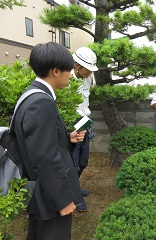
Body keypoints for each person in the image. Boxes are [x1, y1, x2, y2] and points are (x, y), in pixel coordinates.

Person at [14, 42, 86, 240]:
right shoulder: (41, 102)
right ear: (55, 71)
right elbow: (44, 157)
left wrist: (67, 137)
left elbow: (37, 143)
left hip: (40, 192)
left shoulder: (30, 95)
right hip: (50, 198)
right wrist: (62, 200)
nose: (71, 75)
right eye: (69, 70)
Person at [71, 47, 98, 212]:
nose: (90, 72)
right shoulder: (65, 80)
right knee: (72, 163)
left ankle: (75, 188)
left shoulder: (88, 78)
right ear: (76, 65)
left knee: (83, 161)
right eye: (87, 69)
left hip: (84, 122)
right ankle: (74, 196)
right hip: (71, 124)